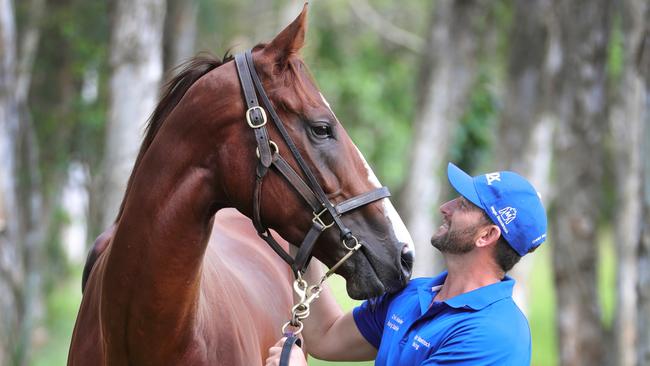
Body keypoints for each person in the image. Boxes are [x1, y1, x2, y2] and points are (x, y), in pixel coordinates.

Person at [265, 162, 547, 366]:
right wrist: (301, 232)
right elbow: (325, 335)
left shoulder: (493, 337)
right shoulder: (414, 294)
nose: (445, 208)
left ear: (487, 235)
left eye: (462, 206)